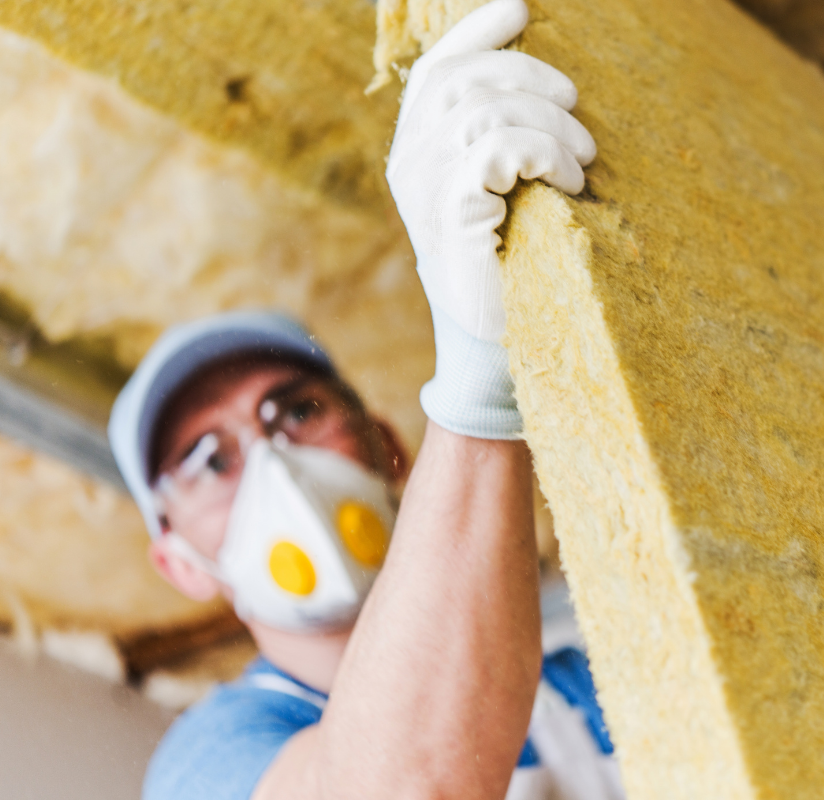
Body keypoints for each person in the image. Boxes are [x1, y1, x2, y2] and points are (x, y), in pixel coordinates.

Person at [107, 2, 620, 798]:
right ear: (181, 564)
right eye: (209, 460)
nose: (274, 462)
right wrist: (483, 379)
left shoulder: (583, 695)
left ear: (389, 448)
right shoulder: (209, 760)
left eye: (297, 411)